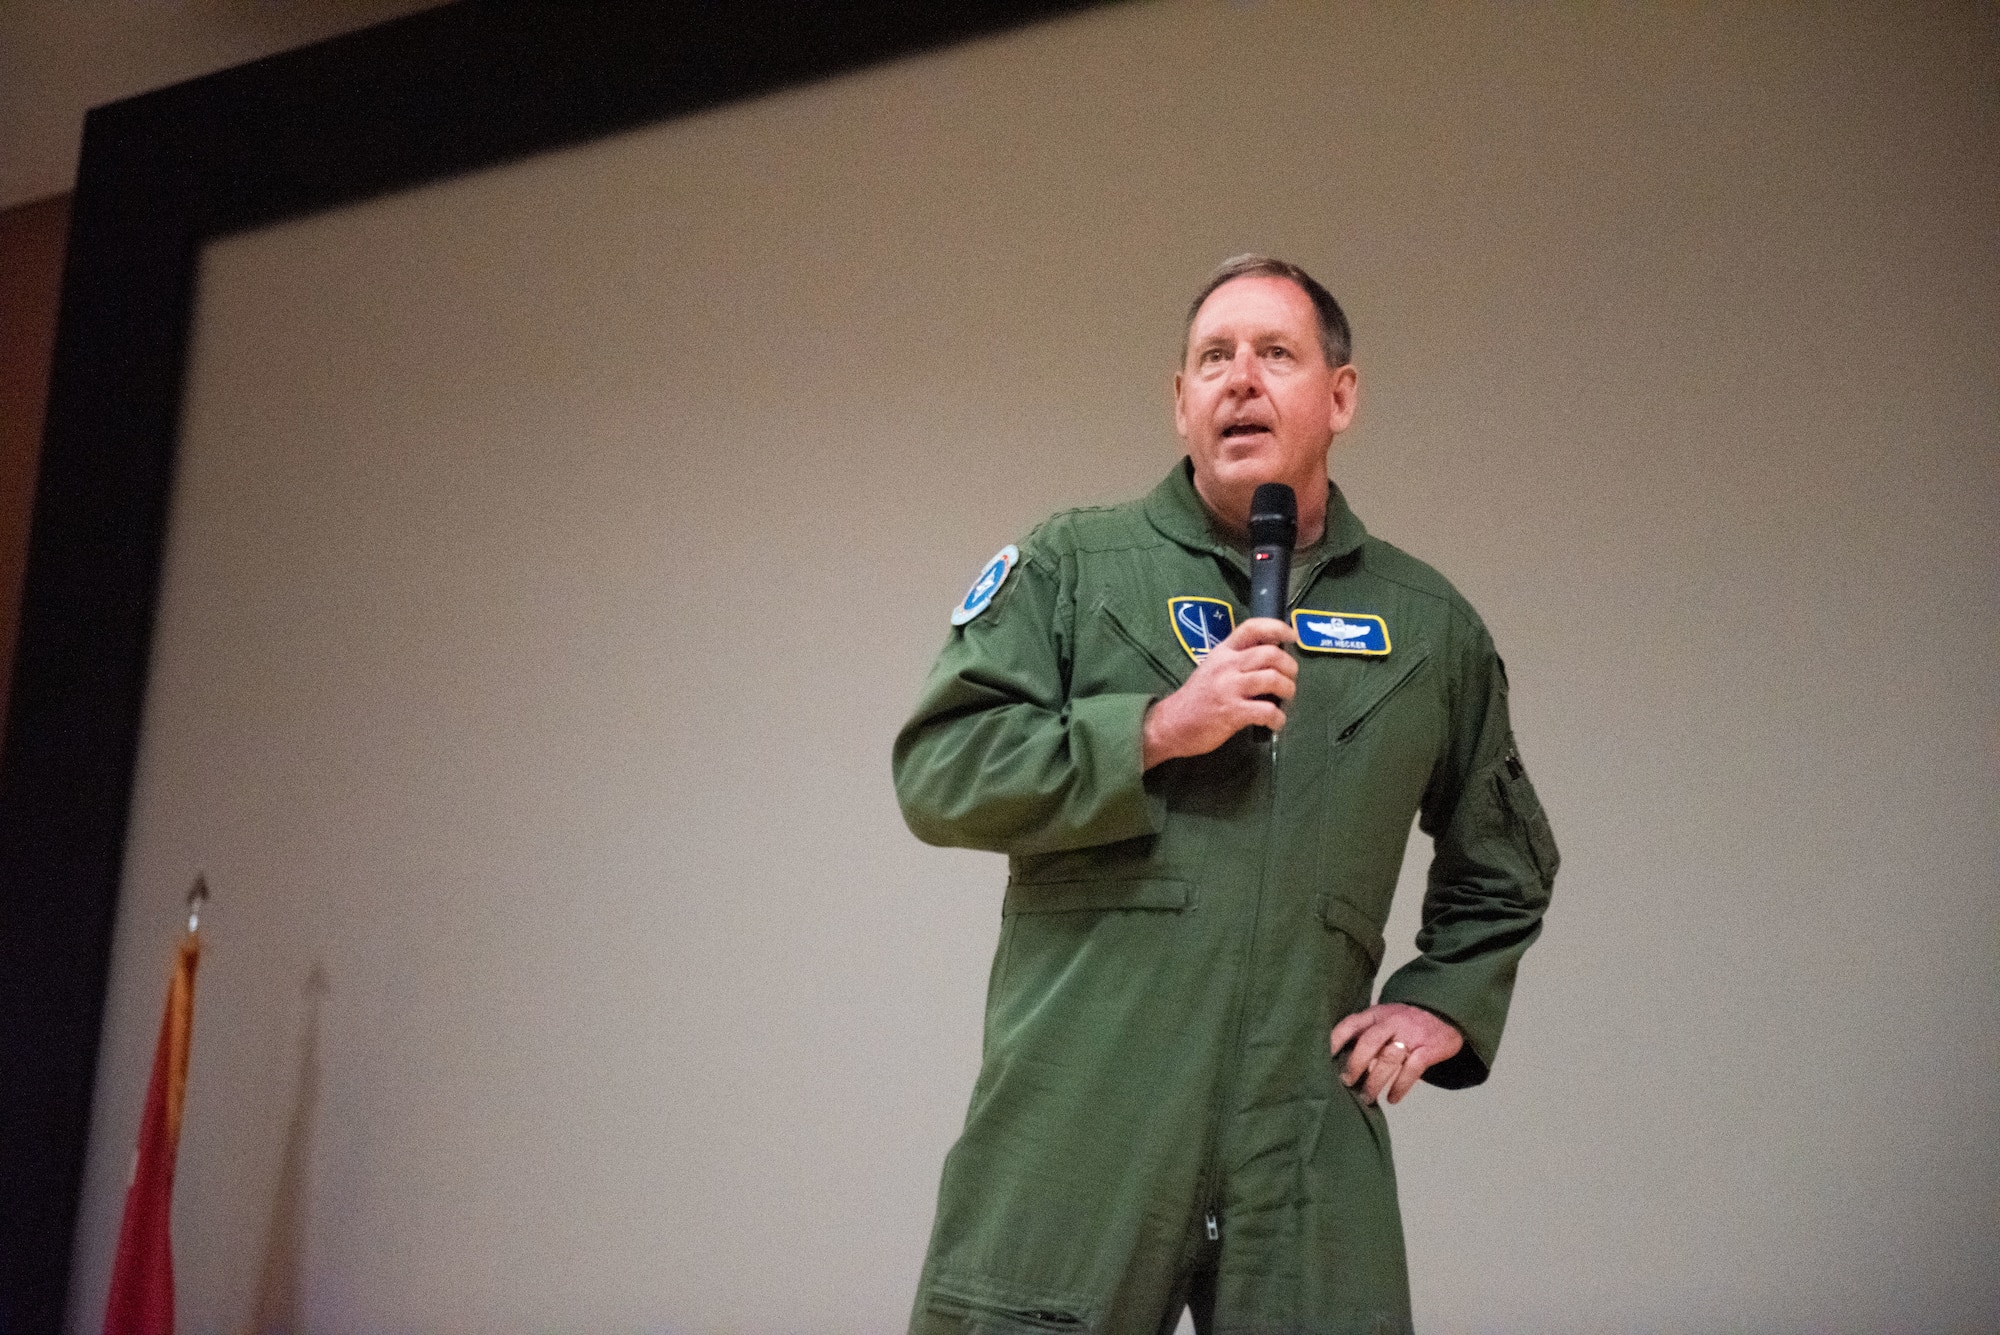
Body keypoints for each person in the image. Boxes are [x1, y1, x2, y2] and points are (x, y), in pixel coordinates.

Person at [894, 255, 1558, 1335]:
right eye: (1213, 358)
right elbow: (939, 772)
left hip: (1297, 1130)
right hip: (1082, 1111)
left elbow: (1504, 860)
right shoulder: (1076, 567)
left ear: (1338, 395)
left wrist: (1444, 998)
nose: (1238, 380)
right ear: (1178, 402)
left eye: (1274, 354)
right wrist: (1155, 731)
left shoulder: (1428, 625)